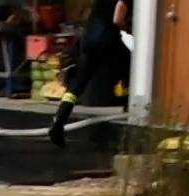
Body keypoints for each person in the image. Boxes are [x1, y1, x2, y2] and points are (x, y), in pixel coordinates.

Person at [48, 0, 129, 148]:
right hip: (108, 40)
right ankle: (129, 108)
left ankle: (59, 122)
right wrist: (127, 27)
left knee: (78, 84)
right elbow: (117, 18)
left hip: (89, 39)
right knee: (130, 66)